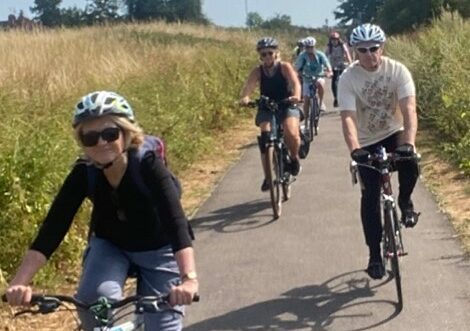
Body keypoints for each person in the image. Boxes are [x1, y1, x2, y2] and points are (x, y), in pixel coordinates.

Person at [5, 91, 199, 330]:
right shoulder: (84, 172)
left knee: (163, 326)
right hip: (111, 246)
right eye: (90, 137)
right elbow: (53, 228)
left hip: (158, 248)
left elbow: (176, 223)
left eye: (110, 133)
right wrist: (21, 282)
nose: (101, 143)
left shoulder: (148, 165)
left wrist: (188, 279)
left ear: (126, 133)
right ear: (82, 141)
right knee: (93, 300)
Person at [338, 24, 420, 280]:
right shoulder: (348, 78)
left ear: (381, 47)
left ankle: (405, 201)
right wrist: (355, 150)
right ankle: (374, 254)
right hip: (366, 140)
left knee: (410, 162)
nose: (369, 54)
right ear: (355, 51)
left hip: (394, 131)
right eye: (362, 50)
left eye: (374, 48)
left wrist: (408, 142)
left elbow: (409, 109)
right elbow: (348, 119)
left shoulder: (397, 70)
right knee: (371, 196)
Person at [239, 37, 302, 191]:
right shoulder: (257, 71)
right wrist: (245, 97)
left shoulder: (284, 67)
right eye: (263, 54)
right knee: (265, 137)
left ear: (276, 53)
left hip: (286, 102)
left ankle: (294, 159)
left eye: (269, 53)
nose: (267, 57)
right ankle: (268, 178)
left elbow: (295, 83)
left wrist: (296, 96)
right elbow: (249, 85)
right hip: (266, 105)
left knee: (291, 132)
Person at [295, 36, 332, 124]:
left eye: (311, 47)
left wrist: (329, 71)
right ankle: (307, 121)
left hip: (319, 75)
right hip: (307, 78)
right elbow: (297, 67)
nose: (310, 49)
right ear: (305, 47)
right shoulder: (302, 56)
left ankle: (321, 102)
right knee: (306, 99)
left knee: (320, 84)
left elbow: (327, 63)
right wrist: (297, 74)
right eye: (307, 47)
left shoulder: (320, 54)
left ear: (314, 47)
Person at [325, 31, 352, 108]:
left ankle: (345, 95)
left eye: (336, 39)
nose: (334, 41)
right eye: (332, 39)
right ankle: (336, 97)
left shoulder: (342, 45)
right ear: (330, 40)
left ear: (338, 39)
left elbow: (347, 53)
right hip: (333, 66)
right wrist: (325, 66)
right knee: (334, 81)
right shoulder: (329, 47)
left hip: (342, 65)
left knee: (344, 79)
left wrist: (350, 63)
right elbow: (325, 56)